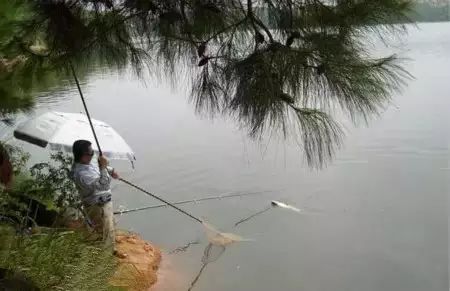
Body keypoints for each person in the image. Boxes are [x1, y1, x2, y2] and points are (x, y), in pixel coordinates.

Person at [71, 139, 119, 248]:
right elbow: (103, 185)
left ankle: (111, 250)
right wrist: (103, 167)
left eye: (93, 152)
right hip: (98, 207)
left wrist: (111, 170)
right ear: (83, 155)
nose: (93, 155)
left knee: (109, 230)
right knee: (104, 234)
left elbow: (96, 168)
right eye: (90, 153)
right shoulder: (81, 174)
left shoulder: (86, 162)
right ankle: (105, 258)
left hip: (105, 203)